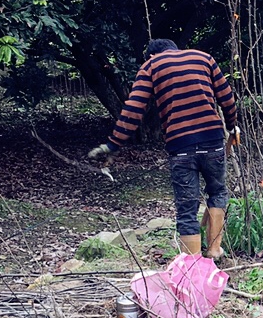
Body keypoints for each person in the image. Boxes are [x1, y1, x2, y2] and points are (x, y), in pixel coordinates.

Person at [88, 39, 240, 259]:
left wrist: (112, 145)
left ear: (151, 55)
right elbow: (226, 98)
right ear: (176, 50)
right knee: (217, 192)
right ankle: (215, 250)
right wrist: (231, 124)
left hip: (180, 147)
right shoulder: (203, 58)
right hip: (212, 141)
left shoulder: (151, 66)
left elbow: (133, 109)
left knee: (187, 206)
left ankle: (193, 265)